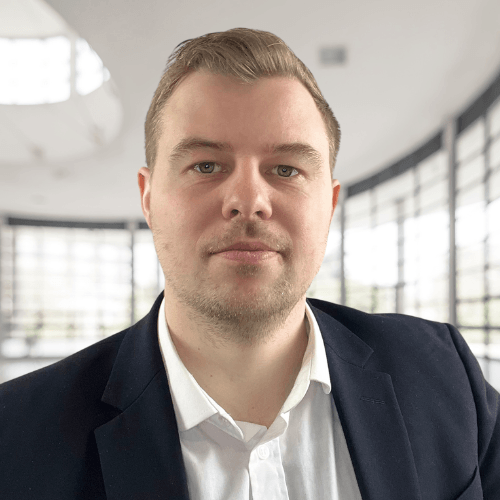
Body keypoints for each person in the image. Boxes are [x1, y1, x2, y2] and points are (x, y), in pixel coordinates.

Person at [0, 27, 498, 500]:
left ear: (329, 204)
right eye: (206, 165)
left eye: (286, 169)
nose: (248, 201)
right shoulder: (17, 435)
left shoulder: (443, 376)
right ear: (148, 198)